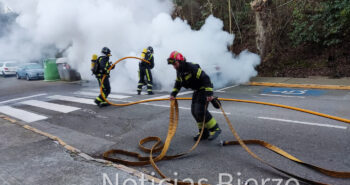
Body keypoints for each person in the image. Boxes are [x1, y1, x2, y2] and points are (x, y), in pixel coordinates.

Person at [167, 51, 221, 141]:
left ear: (180, 61)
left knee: (199, 110)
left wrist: (209, 94)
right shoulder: (179, 71)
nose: (174, 66)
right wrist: (173, 94)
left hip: (204, 89)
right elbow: (178, 83)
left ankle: (215, 128)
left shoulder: (192, 67)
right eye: (173, 65)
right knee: (194, 112)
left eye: (175, 64)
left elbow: (205, 78)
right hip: (197, 90)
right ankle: (203, 133)